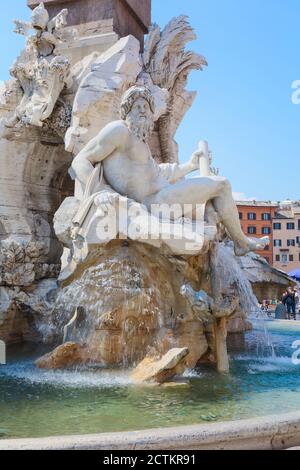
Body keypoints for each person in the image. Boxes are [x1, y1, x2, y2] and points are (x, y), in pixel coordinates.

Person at [71, 86, 269, 257]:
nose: (142, 111)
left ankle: (232, 241)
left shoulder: (141, 143)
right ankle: (241, 244)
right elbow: (81, 160)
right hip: (154, 202)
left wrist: (189, 166)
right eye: (137, 106)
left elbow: (158, 173)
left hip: (163, 196)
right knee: (221, 185)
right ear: (126, 112)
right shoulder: (118, 131)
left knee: (212, 206)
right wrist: (101, 192)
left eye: (146, 108)